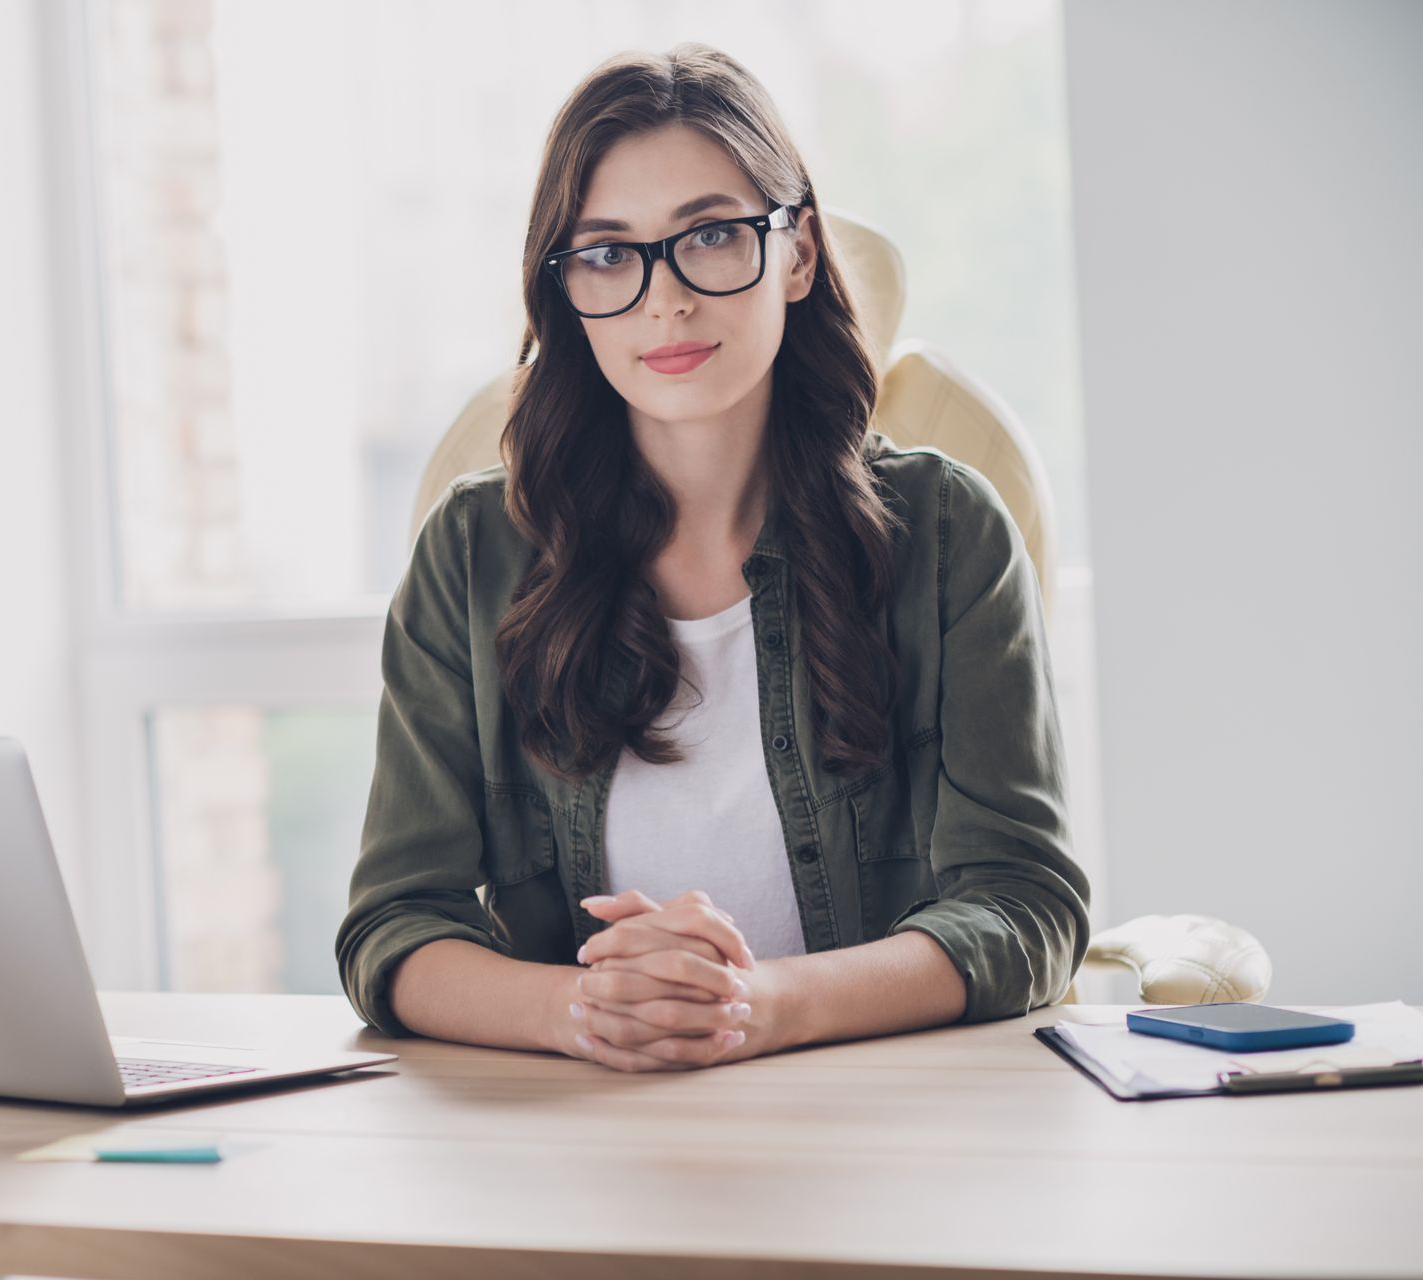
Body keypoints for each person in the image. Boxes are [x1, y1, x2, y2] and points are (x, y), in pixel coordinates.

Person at [335, 43, 1089, 1073]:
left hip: (884, 1130)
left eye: (713, 235)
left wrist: (755, 1004)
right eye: (609, 253)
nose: (666, 299)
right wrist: (589, 1008)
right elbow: (393, 923)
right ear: (563, 291)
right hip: (566, 1142)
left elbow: (1025, 903)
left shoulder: (951, 532)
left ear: (798, 253)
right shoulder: (471, 555)